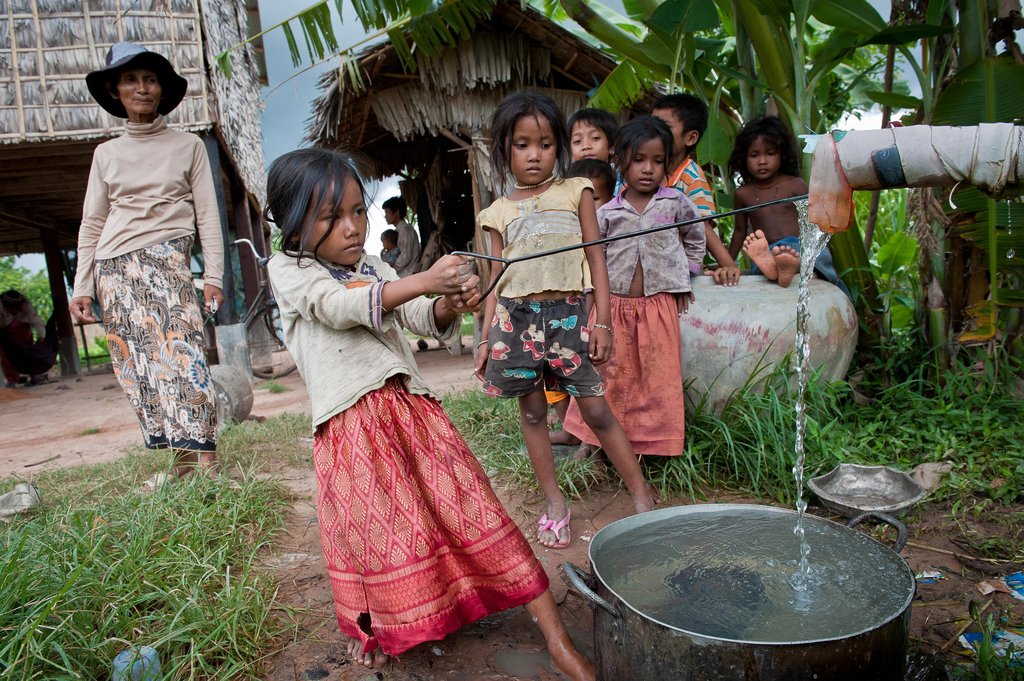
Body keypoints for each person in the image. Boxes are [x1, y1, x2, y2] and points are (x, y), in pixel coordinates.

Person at [264, 148, 595, 680]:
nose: (351, 228)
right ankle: (375, 628)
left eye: (357, 212)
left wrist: (448, 302)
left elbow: (415, 312)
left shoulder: (370, 266)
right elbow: (342, 306)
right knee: (379, 535)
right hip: (352, 427)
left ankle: (558, 641)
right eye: (330, 218)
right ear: (292, 221)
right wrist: (423, 281)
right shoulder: (290, 271)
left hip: (413, 412)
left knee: (472, 511)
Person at [474, 91, 659, 551]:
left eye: (544, 144)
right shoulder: (496, 213)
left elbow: (596, 257)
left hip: (569, 316)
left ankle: (641, 496)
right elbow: (495, 279)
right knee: (534, 411)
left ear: (559, 147)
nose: (534, 154)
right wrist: (483, 338)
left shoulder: (576, 193)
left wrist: (602, 322)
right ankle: (554, 503)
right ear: (505, 150)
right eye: (521, 145)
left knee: (595, 409)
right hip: (515, 322)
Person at [69, 42, 224, 485]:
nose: (142, 88)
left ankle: (208, 469)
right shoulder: (106, 154)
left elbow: (208, 215)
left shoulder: (189, 146)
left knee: (185, 357)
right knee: (142, 368)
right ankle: (179, 466)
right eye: (132, 80)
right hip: (115, 269)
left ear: (162, 89)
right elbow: (93, 222)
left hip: (169, 264)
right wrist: (83, 286)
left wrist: (212, 275)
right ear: (115, 91)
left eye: (151, 79)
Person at [562, 116, 704, 459]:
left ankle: (649, 447)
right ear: (620, 161)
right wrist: (593, 303)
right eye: (639, 160)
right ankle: (591, 443)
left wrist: (684, 274)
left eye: (658, 161)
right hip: (615, 307)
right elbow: (595, 256)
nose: (648, 169)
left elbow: (695, 238)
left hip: (658, 307)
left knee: (655, 378)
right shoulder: (609, 211)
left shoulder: (675, 203)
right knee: (605, 375)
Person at [726, 115, 846, 291]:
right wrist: (728, 263)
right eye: (754, 155)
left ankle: (788, 268)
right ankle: (776, 267)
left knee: (815, 260)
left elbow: (815, 223)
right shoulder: (743, 194)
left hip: (802, 246)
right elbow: (739, 231)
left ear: (782, 154)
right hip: (771, 250)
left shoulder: (795, 185)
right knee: (775, 257)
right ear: (743, 158)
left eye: (770, 153)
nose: (762, 161)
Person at [547, 158, 615, 448]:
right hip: (565, 316)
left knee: (589, 377)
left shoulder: (613, 228)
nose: (585, 207)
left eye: (595, 198)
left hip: (593, 316)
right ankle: (569, 427)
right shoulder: (563, 235)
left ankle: (590, 438)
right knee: (553, 373)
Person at [651, 93, 741, 286]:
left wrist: (728, 265)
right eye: (652, 125)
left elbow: (701, 225)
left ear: (690, 137)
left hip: (676, 270)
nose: (654, 132)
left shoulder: (690, 175)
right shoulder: (643, 168)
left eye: (664, 127)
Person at [0, 290, 46, 385]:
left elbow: (36, 321)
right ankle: (12, 380)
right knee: (6, 357)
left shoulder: (26, 307)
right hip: (5, 334)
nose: (15, 310)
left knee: (28, 353)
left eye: (17, 307)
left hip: (23, 332)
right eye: (13, 308)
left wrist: (41, 337)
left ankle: (35, 376)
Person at [382, 196, 421, 277]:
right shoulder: (400, 230)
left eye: (387, 212)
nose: (385, 216)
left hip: (407, 274)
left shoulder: (404, 230)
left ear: (396, 212)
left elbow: (405, 258)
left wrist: (389, 270)